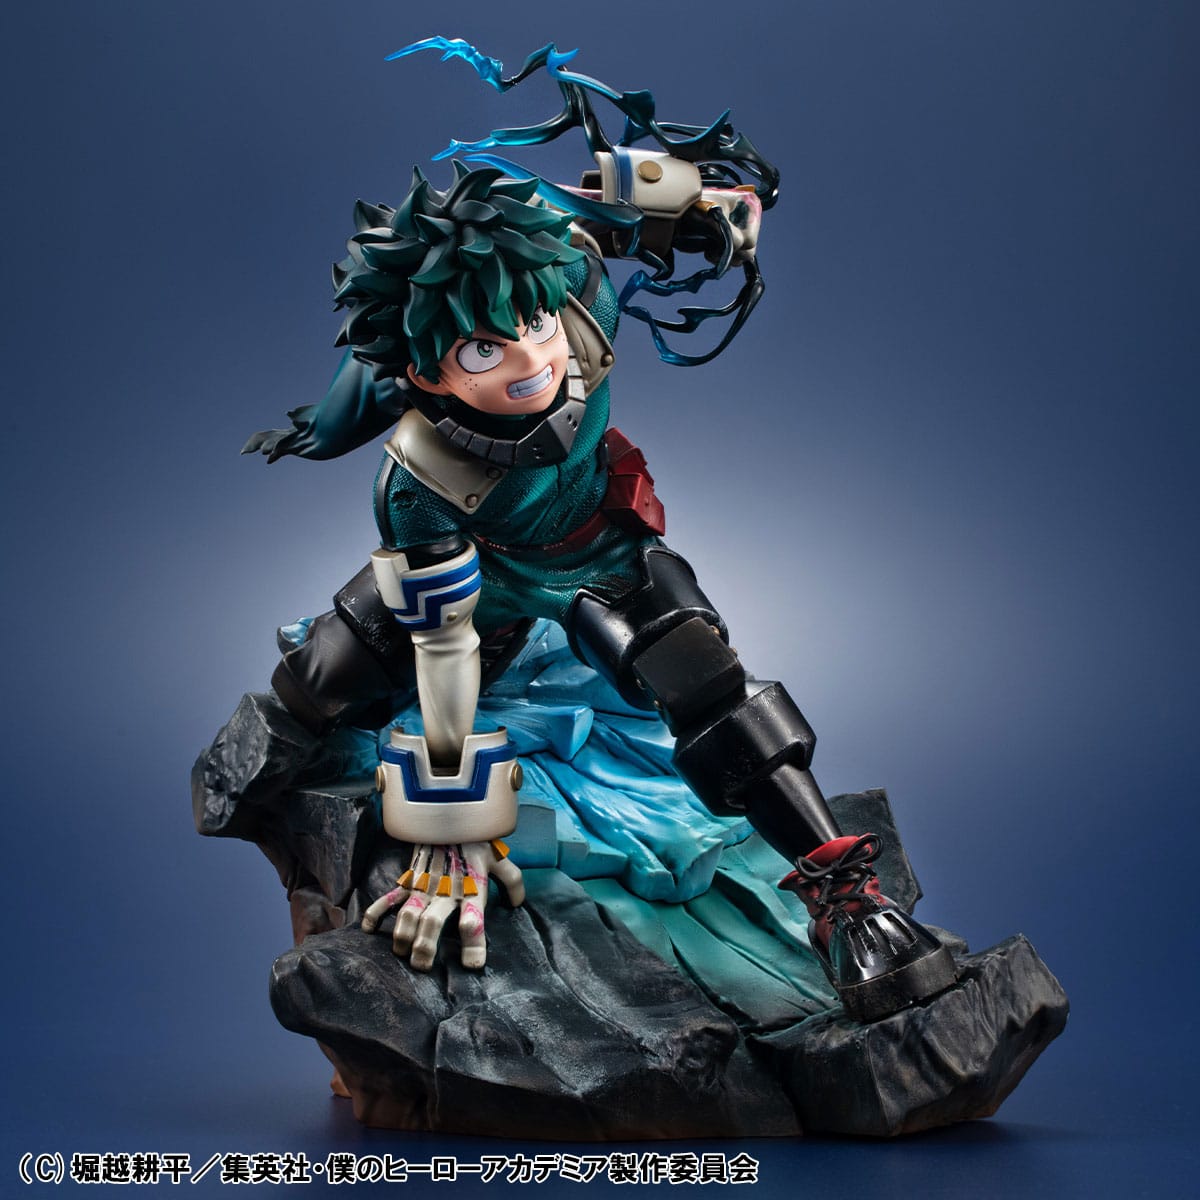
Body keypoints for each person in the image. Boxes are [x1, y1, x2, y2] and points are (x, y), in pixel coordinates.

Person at [245, 159, 957, 1023]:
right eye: (482, 350)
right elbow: (445, 648)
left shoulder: (576, 298)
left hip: (598, 550)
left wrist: (693, 199)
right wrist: (451, 827)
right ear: (425, 375)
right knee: (320, 681)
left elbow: (585, 207)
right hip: (484, 579)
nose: (531, 362)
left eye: (533, 324)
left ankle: (847, 902)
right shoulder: (418, 480)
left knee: (709, 682)